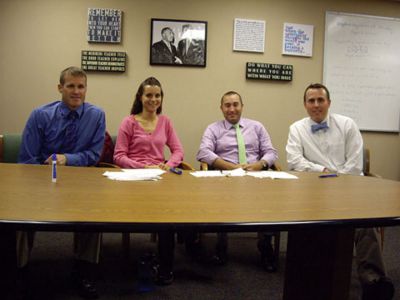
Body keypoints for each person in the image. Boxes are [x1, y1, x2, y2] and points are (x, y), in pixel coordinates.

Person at [286, 83, 394, 300]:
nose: (316, 105)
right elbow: (295, 161)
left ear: (329, 103)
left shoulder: (347, 124)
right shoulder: (296, 128)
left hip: (350, 187)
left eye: (320, 100)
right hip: (313, 190)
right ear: (305, 104)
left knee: (367, 222)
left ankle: (373, 280)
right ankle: (311, 277)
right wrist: (323, 171)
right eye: (311, 101)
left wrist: (336, 180)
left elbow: (355, 164)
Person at [18, 66, 106, 299]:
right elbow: (27, 158)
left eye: (81, 87)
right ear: (60, 88)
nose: (76, 92)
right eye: (71, 86)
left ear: (86, 90)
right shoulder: (40, 115)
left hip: (80, 183)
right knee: (16, 213)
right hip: (41, 180)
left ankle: (83, 271)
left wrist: (68, 159)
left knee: (93, 213)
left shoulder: (97, 115)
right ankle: (19, 269)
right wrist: (42, 180)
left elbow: (94, 155)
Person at [196, 91, 279, 271]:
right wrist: (229, 167)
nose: (232, 109)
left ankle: (265, 245)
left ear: (242, 106)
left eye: (235, 104)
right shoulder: (213, 128)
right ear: (221, 108)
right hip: (226, 177)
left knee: (270, 201)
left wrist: (260, 164)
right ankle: (221, 244)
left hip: (255, 175)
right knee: (221, 199)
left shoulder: (257, 127)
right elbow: (203, 152)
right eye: (227, 105)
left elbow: (271, 152)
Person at [113, 76, 184, 285]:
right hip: (134, 177)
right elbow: (118, 156)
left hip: (159, 177)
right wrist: (143, 167)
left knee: (169, 215)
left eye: (157, 95)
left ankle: (166, 267)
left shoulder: (166, 121)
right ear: (140, 97)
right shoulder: (129, 122)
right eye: (149, 95)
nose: (153, 99)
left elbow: (178, 150)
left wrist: (169, 164)